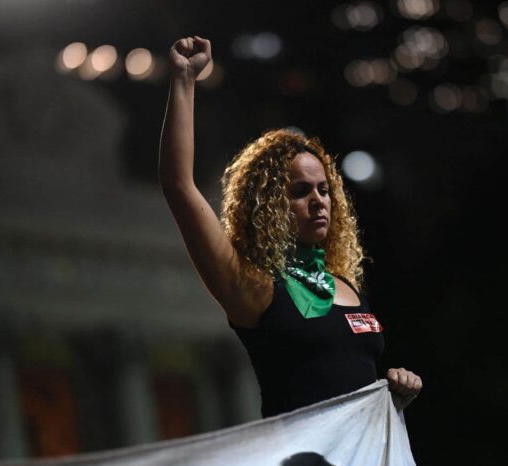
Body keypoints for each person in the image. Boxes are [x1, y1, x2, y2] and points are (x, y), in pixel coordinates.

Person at [158, 35, 422, 418]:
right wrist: (183, 80)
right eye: (300, 191)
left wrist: (397, 391)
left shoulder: (344, 283)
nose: (318, 200)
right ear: (269, 206)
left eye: (324, 189)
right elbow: (178, 185)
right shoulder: (252, 286)